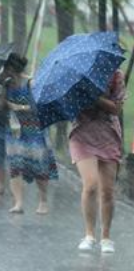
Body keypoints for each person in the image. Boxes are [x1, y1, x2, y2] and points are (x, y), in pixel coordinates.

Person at [71, 69, 124, 254]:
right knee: (91, 184)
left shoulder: (116, 75)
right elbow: (69, 106)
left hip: (108, 134)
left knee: (107, 191)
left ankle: (106, 237)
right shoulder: (76, 76)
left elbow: (117, 108)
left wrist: (95, 97)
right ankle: (89, 234)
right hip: (82, 133)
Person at [2, 53, 58, 214]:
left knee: (39, 166)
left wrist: (19, 108)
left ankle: (43, 200)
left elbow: (39, 107)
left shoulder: (31, 83)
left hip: (34, 130)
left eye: (6, 68)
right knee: (15, 166)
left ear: (11, 68)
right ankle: (18, 202)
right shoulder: (6, 84)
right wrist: (0, 96)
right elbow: (2, 106)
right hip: (14, 130)